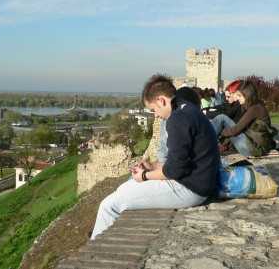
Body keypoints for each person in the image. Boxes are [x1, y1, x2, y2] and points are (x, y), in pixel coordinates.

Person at [91, 74, 220, 239]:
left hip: (191, 188)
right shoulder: (187, 108)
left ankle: (98, 248)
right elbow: (181, 161)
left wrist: (145, 176)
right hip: (196, 181)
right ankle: (104, 230)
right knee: (124, 188)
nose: (156, 116)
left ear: (160, 100)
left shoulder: (178, 119)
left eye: (153, 110)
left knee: (109, 205)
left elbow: (173, 170)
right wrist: (153, 167)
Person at [211, 80, 275, 157]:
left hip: (250, 149)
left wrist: (220, 131)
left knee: (222, 118)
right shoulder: (255, 107)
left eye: (239, 95)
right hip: (252, 147)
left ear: (247, 95)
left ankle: (203, 145)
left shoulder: (254, 109)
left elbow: (234, 131)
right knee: (222, 119)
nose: (237, 98)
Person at [157, 86, 202, 162]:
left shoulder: (190, 122)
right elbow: (161, 145)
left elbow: (179, 162)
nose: (156, 115)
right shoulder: (166, 120)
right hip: (169, 163)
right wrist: (163, 163)